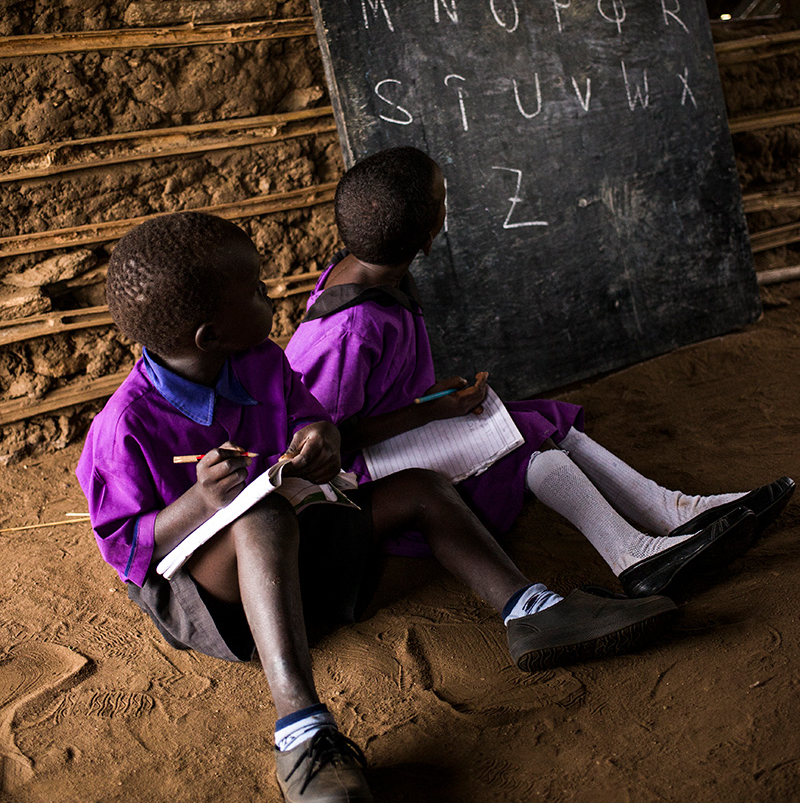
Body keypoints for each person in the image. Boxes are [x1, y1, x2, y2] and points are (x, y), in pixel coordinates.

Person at [76, 211, 679, 803]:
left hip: (299, 540)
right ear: (209, 335)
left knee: (422, 488)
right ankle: (301, 733)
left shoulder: (259, 360)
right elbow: (124, 546)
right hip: (211, 597)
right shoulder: (125, 426)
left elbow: (308, 416)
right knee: (259, 519)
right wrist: (200, 504)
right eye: (255, 290)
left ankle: (531, 613)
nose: (271, 293)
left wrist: (320, 435)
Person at [285, 147, 794, 597]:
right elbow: (329, 438)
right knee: (527, 437)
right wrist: (429, 413)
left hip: (396, 435)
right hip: (361, 474)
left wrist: (428, 400)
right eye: (443, 199)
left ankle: (674, 510)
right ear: (428, 235)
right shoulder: (347, 330)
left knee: (540, 416)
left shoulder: (378, 274)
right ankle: (634, 556)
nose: (447, 204)